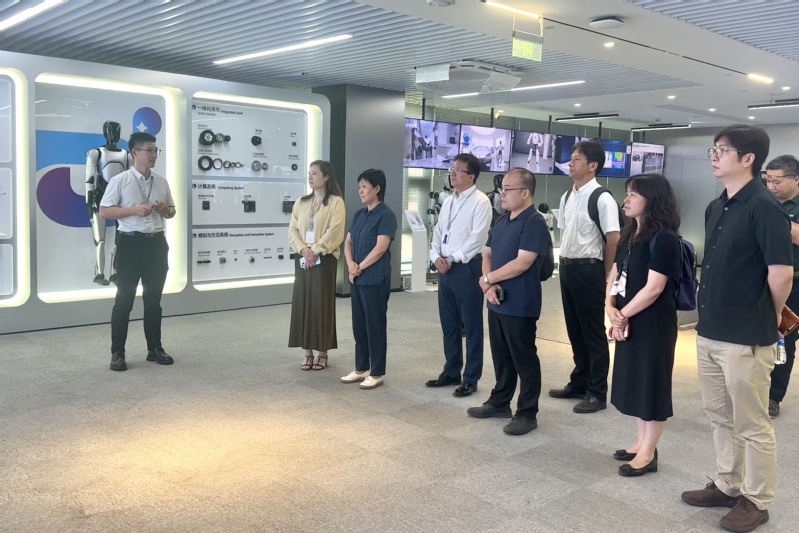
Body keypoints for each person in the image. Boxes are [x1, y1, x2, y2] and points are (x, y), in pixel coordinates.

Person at [681, 125, 792, 533]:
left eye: (723, 150)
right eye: (713, 149)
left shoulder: (764, 206)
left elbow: (781, 273)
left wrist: (768, 315)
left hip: (746, 334)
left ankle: (757, 500)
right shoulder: (718, 206)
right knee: (719, 415)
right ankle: (728, 484)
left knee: (751, 423)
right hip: (710, 328)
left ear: (748, 159)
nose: (714, 156)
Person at [605, 174, 681, 477]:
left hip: (653, 323)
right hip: (629, 317)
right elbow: (615, 273)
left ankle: (649, 453)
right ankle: (641, 442)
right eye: (627, 193)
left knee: (652, 384)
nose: (626, 200)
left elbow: (654, 288)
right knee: (636, 381)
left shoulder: (665, 238)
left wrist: (622, 314)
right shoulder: (630, 234)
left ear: (652, 199)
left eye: (633, 194)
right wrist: (610, 306)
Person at [467, 168, 550, 436]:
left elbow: (522, 263)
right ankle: (500, 402)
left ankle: (527, 413)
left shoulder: (534, 223)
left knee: (523, 359)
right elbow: (487, 254)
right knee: (501, 356)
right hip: (496, 299)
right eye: (502, 188)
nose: (502, 194)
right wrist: (488, 284)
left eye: (507, 189)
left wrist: (488, 279)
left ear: (525, 193)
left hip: (520, 303)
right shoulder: (502, 221)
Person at [549, 141, 621, 413]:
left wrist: (606, 274)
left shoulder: (602, 198)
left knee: (592, 332)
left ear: (593, 166)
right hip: (567, 268)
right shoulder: (567, 196)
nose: (570, 163)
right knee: (574, 329)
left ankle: (597, 392)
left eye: (577, 159)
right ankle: (579, 382)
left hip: (590, 269)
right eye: (571, 158)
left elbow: (613, 240)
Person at [99, 132, 175, 371]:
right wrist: (133, 210)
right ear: (135, 152)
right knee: (124, 301)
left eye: (155, 151)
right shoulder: (120, 180)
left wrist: (164, 210)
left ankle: (155, 348)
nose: (154, 155)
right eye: (149, 150)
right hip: (130, 245)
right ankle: (117, 353)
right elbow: (104, 211)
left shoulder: (161, 181)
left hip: (156, 245)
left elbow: (172, 212)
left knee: (154, 301)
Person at [425, 153, 492, 397]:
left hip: (467, 268)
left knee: (471, 325)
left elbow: (477, 240)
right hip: (445, 268)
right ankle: (451, 371)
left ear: (471, 176)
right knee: (449, 323)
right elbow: (438, 232)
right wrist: (436, 257)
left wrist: (451, 259)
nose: (452, 174)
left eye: (458, 170)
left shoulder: (481, 202)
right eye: (452, 170)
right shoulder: (449, 201)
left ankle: (471, 378)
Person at [341, 169, 397, 390]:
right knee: (359, 325)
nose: (361, 191)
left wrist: (359, 267)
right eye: (359, 187)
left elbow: (381, 248)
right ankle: (361, 368)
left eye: (364, 186)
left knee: (375, 325)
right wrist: (350, 265)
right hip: (357, 278)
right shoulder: (359, 215)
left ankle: (377, 372)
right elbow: (348, 242)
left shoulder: (386, 215)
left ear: (377, 188)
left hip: (374, 279)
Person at [288, 160, 346, 371]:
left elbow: (335, 231)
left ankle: (323, 352)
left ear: (326, 177)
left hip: (325, 259)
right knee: (303, 302)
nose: (310, 177)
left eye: (314, 173)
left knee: (321, 304)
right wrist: (304, 250)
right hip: (303, 258)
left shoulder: (336, 202)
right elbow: (293, 230)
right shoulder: (301, 202)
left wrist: (316, 250)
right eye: (309, 173)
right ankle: (307, 352)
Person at [763, 155, 799, 418]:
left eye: (777, 180)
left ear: (796, 179)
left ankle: (773, 396)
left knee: (783, 339)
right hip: (762, 280)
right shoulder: (763, 201)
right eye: (768, 180)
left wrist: (776, 221)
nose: (771, 186)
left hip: (794, 283)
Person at [85, 120, 132, 285]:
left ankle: (116, 272)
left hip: (121, 199)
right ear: (105, 132)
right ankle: (100, 274)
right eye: (111, 130)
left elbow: (131, 178)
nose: (114, 134)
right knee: (100, 240)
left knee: (120, 238)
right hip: (100, 198)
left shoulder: (126, 155)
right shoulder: (96, 153)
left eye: (117, 130)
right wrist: (89, 200)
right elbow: (89, 178)